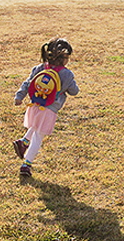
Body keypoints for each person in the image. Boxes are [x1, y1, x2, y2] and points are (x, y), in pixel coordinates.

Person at [13, 37, 79, 177]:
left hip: (35, 105)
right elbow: (74, 91)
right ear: (64, 58)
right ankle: (26, 164)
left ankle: (23, 142)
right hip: (49, 109)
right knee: (38, 136)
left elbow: (27, 83)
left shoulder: (40, 68)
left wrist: (19, 96)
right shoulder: (66, 74)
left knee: (35, 126)